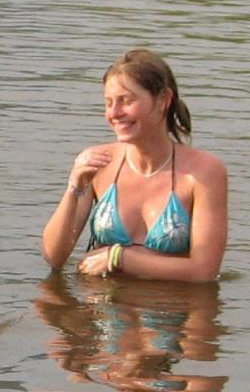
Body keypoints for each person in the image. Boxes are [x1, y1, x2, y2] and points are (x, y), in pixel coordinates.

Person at [42, 48, 228, 282]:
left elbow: (204, 273)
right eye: (109, 103)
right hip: (101, 310)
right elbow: (54, 258)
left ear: (163, 100)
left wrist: (119, 257)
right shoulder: (97, 163)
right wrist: (74, 188)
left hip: (168, 310)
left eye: (126, 101)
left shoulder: (204, 172)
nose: (114, 113)